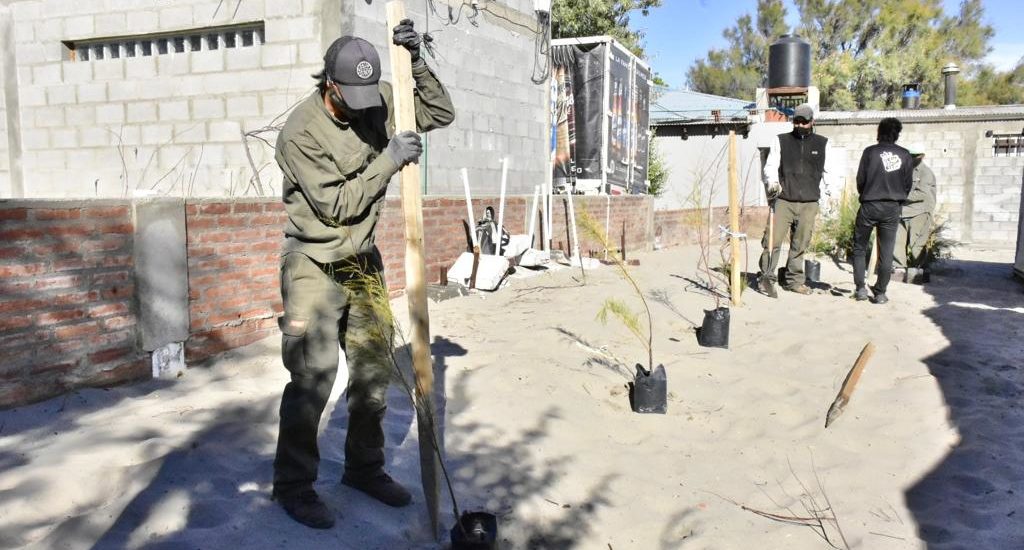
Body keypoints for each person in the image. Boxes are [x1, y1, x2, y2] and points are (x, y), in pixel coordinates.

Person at [271, 21, 455, 529]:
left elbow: (439, 112)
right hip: (315, 263)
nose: (362, 105)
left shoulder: (376, 97)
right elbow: (337, 207)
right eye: (350, 95)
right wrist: (390, 160)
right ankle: (293, 486)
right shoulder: (300, 133)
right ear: (329, 84)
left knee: (373, 376)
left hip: (363, 264)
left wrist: (416, 62)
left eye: (366, 94)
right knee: (312, 381)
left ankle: (363, 469)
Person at [758, 103, 833, 298]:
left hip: (809, 202)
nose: (800, 125)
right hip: (784, 200)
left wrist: (830, 196)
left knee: (800, 244)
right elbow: (771, 165)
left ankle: (794, 281)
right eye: (797, 121)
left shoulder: (823, 143)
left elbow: (829, 173)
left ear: (812, 122)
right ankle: (766, 277)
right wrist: (772, 183)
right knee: (772, 241)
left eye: (804, 122)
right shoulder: (781, 141)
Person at [852, 118, 913, 304]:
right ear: (897, 134)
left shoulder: (870, 152)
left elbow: (860, 180)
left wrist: (868, 194)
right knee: (887, 251)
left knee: (860, 248)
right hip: (892, 208)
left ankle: (861, 289)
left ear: (879, 131)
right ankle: (880, 293)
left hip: (870, 205)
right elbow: (907, 184)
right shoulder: (905, 155)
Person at [892, 143, 936, 272]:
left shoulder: (925, 172)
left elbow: (922, 194)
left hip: (919, 211)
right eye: (909, 155)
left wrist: (900, 195)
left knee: (917, 244)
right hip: (902, 211)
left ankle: (919, 270)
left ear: (921, 156)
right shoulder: (903, 170)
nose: (910, 158)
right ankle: (899, 268)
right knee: (897, 242)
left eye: (914, 155)